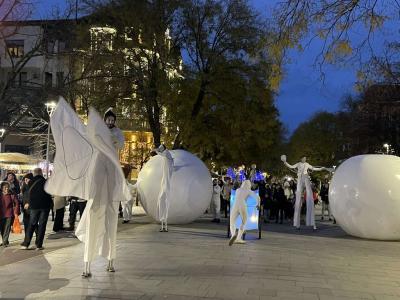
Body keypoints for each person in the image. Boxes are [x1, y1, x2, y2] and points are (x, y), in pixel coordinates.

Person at [281, 155, 326, 230]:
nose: (305, 159)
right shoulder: (298, 164)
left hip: (305, 178)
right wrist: (285, 162)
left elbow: (314, 168)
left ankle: (312, 223)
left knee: (310, 198)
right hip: (300, 179)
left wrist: (321, 168)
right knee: (298, 199)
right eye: (303, 158)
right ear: (301, 158)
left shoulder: (307, 164)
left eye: (305, 158)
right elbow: (291, 166)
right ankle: (297, 223)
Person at [20, 168, 52, 250]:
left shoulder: (30, 182)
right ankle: (39, 245)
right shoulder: (46, 182)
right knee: (42, 225)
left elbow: (27, 193)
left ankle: (25, 244)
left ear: (34, 174)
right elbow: (50, 193)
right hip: (45, 206)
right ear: (41, 173)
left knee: (32, 224)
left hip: (34, 207)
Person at [229, 180, 260, 246]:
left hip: (235, 205)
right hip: (242, 205)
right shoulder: (248, 191)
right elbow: (257, 197)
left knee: (232, 222)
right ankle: (238, 238)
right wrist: (258, 204)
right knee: (244, 222)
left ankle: (233, 235)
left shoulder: (238, 190)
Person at [154, 144, 174, 232]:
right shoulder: (167, 155)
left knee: (165, 192)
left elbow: (161, 154)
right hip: (165, 177)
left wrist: (156, 151)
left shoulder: (167, 153)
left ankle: (164, 223)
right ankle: (163, 224)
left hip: (166, 178)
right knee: (163, 194)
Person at [0, 182, 20, 247]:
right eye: (5, 187)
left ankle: (4, 242)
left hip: (9, 214)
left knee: (7, 228)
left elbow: (17, 203)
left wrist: (16, 213)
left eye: (7, 187)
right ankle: (5, 240)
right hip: (1, 214)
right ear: (2, 188)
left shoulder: (12, 194)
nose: (7, 189)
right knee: (2, 229)